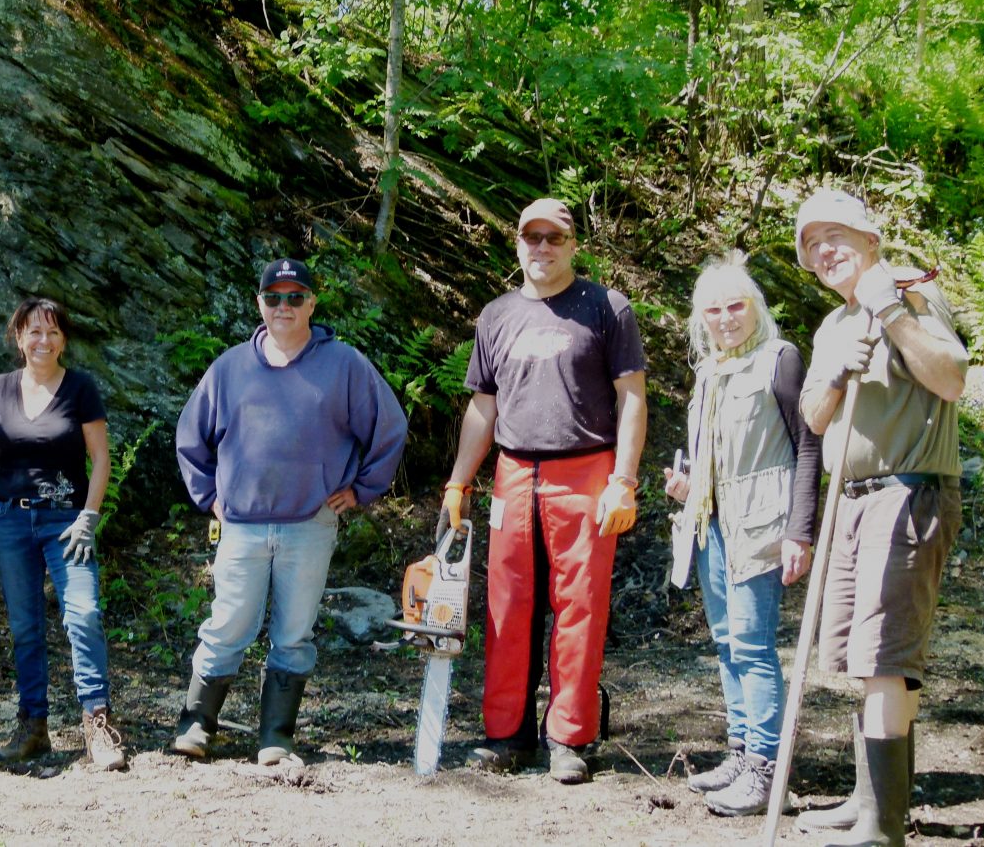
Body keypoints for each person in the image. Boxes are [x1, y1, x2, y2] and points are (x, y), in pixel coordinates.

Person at [438, 197, 647, 784]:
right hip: (513, 472)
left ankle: (568, 737)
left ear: (573, 244)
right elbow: (483, 405)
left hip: (585, 471)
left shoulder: (607, 307)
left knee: (580, 608)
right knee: (507, 606)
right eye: (532, 237)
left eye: (554, 238)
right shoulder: (497, 315)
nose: (542, 248)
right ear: (518, 243)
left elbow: (632, 397)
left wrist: (623, 481)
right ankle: (507, 734)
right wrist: (459, 479)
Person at [172, 258, 407, 766]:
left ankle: (275, 735)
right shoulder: (230, 368)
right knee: (229, 622)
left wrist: (363, 489)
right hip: (241, 524)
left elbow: (388, 428)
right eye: (273, 297)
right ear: (259, 304)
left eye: (294, 297)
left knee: (294, 630)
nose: (284, 306)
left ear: (312, 304)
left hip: (309, 524)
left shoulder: (343, 364)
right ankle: (196, 724)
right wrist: (208, 494)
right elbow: (191, 437)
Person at [791, 190, 964, 846]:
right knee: (863, 660)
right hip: (852, 500)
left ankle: (882, 825)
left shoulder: (911, 295)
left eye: (835, 235)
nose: (824, 250)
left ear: (869, 239)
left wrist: (890, 313)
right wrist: (836, 372)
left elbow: (949, 378)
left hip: (907, 491)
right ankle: (867, 799)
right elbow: (813, 416)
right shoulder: (832, 325)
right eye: (812, 243)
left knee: (886, 657)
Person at [660, 253, 819, 815]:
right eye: (713, 309)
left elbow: (808, 447)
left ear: (755, 308)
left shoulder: (781, 360)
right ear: (699, 318)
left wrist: (801, 530)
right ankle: (740, 748)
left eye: (735, 306)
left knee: (753, 646)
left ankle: (765, 770)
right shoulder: (709, 372)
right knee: (726, 645)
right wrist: (687, 485)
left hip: (762, 526)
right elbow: (717, 457)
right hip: (710, 526)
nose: (726, 318)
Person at [0, 297, 125, 770]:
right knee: (25, 627)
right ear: (18, 338)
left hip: (68, 523)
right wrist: (5, 504)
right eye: (33, 332)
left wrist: (89, 516)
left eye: (53, 331)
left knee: (83, 614)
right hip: (13, 522)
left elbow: (100, 458)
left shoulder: (81, 389)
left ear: (64, 339)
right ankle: (33, 727)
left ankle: (97, 725)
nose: (44, 340)